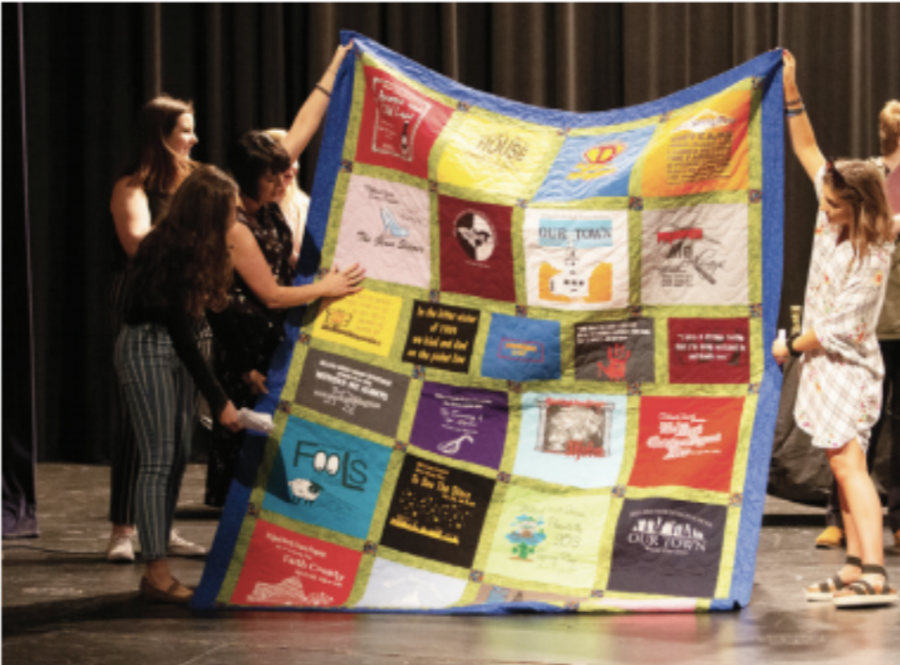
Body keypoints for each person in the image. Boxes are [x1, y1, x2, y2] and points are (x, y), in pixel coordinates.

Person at [204, 41, 366, 507]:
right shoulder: (232, 223)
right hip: (245, 352)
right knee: (252, 473)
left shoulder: (266, 192)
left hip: (271, 339)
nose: (284, 181)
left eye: (285, 173)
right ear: (247, 177)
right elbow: (271, 295)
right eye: (274, 177)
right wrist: (327, 287)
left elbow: (304, 125)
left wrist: (336, 64)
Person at [774, 51, 898, 607]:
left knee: (851, 465)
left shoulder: (878, 247)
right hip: (825, 368)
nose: (822, 209)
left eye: (832, 204)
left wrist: (787, 346)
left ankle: (874, 570)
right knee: (838, 463)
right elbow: (806, 149)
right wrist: (792, 92)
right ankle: (852, 565)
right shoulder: (832, 222)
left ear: (857, 204)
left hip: (848, 365)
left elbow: (837, 329)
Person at [114, 165, 244, 604]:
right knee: (158, 458)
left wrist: (244, 368)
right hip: (148, 348)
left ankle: (157, 560)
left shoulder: (204, 248)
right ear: (208, 212)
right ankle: (155, 572)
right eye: (229, 210)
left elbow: (209, 318)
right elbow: (179, 331)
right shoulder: (168, 248)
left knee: (178, 455)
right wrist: (218, 397)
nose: (236, 217)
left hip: (174, 347)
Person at [107, 95, 208, 562]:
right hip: (145, 308)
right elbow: (138, 245)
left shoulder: (195, 182)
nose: (193, 139)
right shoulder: (134, 186)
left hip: (189, 306)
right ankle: (124, 531)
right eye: (185, 130)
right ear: (160, 136)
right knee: (139, 425)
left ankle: (161, 526)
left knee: (181, 426)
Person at [815, 100, 900, 552]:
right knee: (852, 430)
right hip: (868, 326)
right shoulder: (865, 178)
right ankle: (842, 523)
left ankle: (888, 533)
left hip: (893, 314)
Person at [264, 127, 310, 268]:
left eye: (295, 159)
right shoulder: (248, 206)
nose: (291, 167)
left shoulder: (304, 205)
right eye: (283, 162)